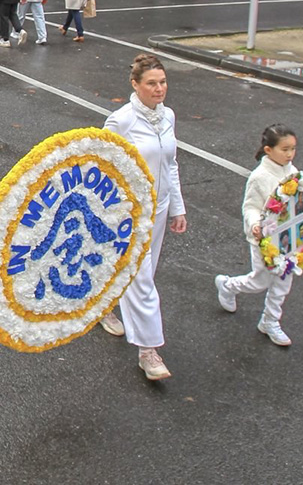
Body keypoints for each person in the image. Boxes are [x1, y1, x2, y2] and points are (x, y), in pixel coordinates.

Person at [101, 53, 187, 381]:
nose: (159, 88)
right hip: (131, 214)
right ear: (135, 85)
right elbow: (103, 165)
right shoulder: (121, 121)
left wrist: (177, 207)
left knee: (143, 271)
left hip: (160, 209)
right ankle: (149, 351)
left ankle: (104, 304)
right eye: (151, 83)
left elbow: (170, 164)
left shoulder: (168, 116)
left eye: (163, 82)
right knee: (142, 279)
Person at [216, 125, 301, 347]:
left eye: (293, 149)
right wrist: (255, 224)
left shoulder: (293, 172)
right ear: (268, 150)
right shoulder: (259, 177)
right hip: (264, 239)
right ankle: (228, 286)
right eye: (285, 149)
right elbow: (251, 206)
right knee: (260, 281)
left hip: (288, 238)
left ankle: (270, 321)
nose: (290, 154)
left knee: (283, 281)